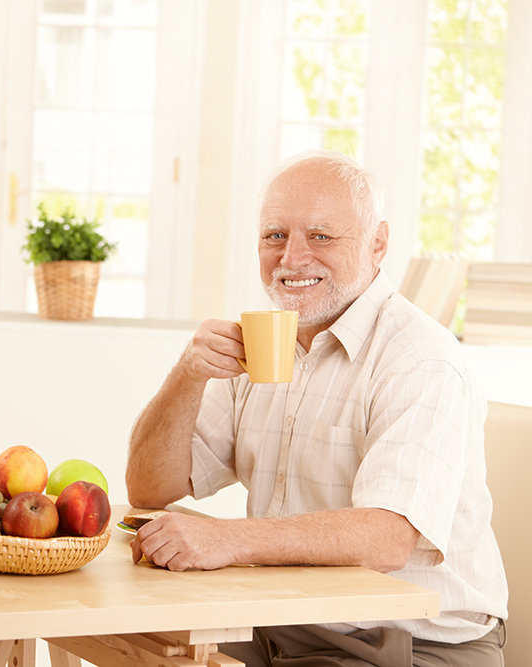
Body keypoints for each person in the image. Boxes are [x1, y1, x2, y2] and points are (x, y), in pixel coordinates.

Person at [126, 150, 507, 665]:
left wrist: (225, 539)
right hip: (281, 621)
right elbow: (151, 487)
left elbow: (388, 537)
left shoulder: (420, 359)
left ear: (378, 244)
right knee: (136, 648)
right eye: (274, 236)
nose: (291, 258)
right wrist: (187, 377)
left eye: (321, 236)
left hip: (409, 643)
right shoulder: (265, 342)